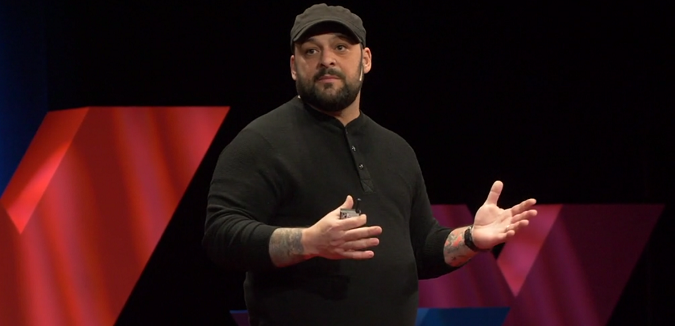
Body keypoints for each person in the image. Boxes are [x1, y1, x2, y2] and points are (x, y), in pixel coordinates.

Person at [203, 3, 537, 326]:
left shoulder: (396, 150)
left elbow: (421, 248)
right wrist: (308, 241)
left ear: (366, 59)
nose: (327, 60)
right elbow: (221, 235)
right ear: (293, 67)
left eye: (341, 47)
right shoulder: (262, 141)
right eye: (311, 51)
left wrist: (472, 238)